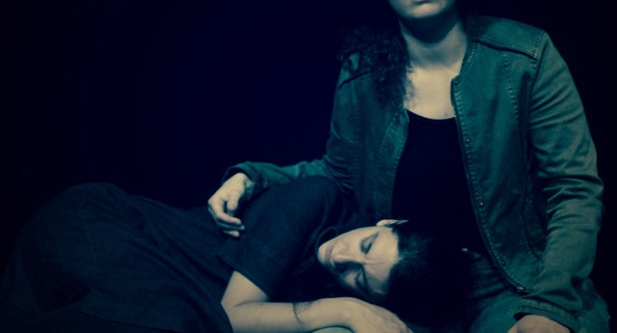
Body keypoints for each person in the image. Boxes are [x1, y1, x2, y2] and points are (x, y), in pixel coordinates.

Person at [207, 0, 610, 331]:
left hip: (509, 283)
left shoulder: (525, 57)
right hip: (399, 291)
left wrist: (548, 306)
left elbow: (573, 190)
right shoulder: (363, 74)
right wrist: (251, 177)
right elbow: (338, 174)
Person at [0, 176, 469, 333]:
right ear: (387, 223)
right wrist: (348, 308)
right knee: (179, 317)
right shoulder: (316, 199)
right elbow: (232, 315)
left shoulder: (342, 281)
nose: (341, 258)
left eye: (359, 279)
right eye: (366, 245)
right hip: (106, 225)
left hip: (161, 278)